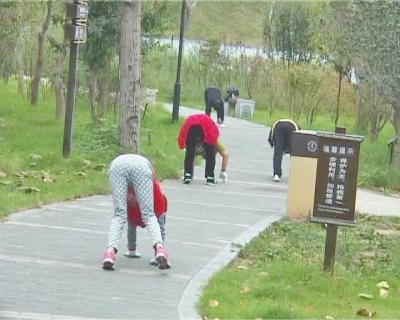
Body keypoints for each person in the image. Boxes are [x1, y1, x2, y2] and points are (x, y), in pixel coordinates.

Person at [102, 154, 171, 270]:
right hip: (141, 168)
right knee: (149, 215)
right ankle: (159, 249)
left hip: (117, 166)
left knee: (119, 214)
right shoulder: (146, 166)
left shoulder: (119, 162)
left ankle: (110, 253)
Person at [123, 178, 167, 267]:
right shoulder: (148, 175)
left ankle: (132, 249)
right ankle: (159, 251)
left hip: (134, 206)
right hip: (156, 203)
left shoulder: (128, 180)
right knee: (159, 228)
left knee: (131, 226)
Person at [178, 114, 220, 185]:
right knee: (210, 154)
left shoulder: (190, 120)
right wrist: (210, 147)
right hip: (206, 127)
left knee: (190, 152)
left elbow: (183, 132)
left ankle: (187, 175)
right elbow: (212, 140)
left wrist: (183, 144)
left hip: (191, 126)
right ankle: (210, 178)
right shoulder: (212, 126)